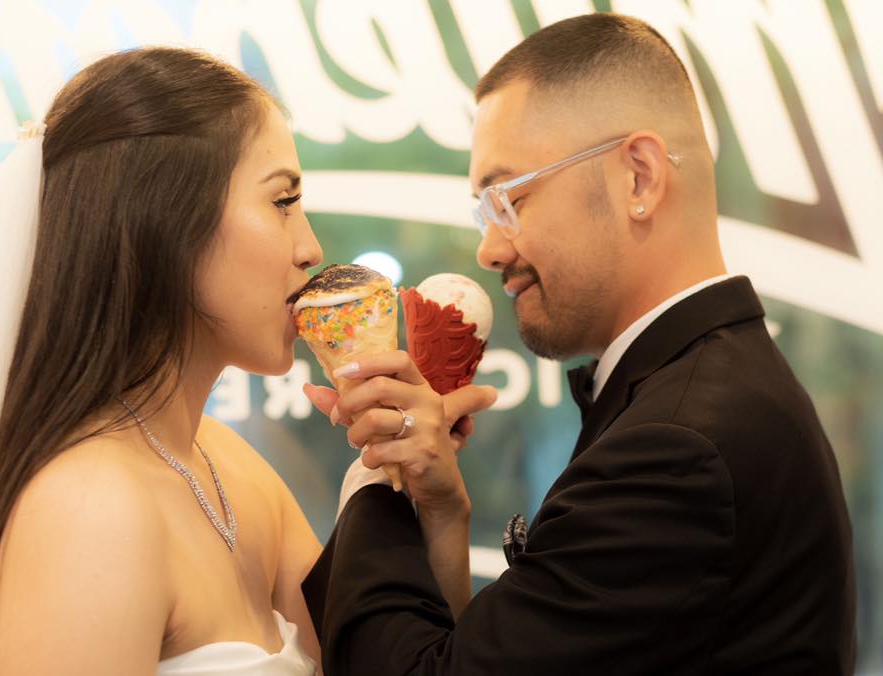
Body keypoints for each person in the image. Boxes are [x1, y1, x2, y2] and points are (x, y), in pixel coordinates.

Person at [301, 13, 856, 675]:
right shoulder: (700, 397)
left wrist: (378, 469)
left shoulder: (679, 448)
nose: (488, 249)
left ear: (638, 177)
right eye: (485, 211)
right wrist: (439, 506)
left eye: (509, 198)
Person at [0, 46, 334, 676]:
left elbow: (381, 660)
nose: (310, 248)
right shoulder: (87, 506)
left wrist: (418, 492)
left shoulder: (228, 462)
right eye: (283, 201)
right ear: (167, 220)